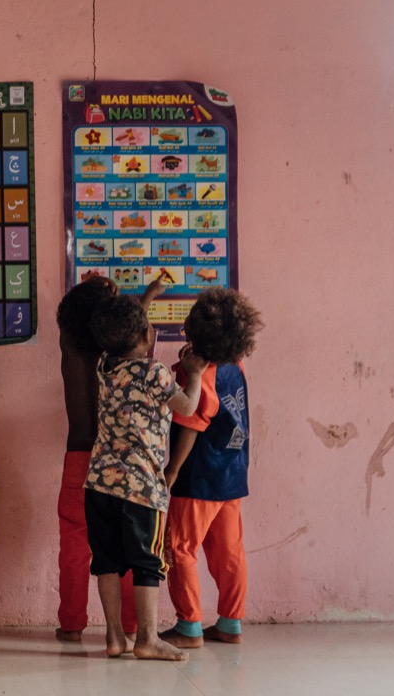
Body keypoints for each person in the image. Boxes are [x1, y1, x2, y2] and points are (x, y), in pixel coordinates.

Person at [85, 291, 206, 661]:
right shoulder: (154, 373)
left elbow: (125, 335)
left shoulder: (104, 366)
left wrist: (144, 302)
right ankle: (147, 639)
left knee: (105, 560)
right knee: (146, 563)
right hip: (141, 489)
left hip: (98, 484)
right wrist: (196, 373)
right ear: (145, 338)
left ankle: (114, 636)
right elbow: (187, 406)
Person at [55, 277, 162, 641]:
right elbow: (130, 332)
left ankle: (71, 623)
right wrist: (144, 297)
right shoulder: (114, 359)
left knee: (72, 547)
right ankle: (130, 624)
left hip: (75, 460)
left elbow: (78, 315)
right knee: (128, 540)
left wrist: (91, 294)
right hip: (114, 464)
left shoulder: (69, 346)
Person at [160, 288, 263, 648]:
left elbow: (190, 423)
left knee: (180, 546)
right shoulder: (236, 365)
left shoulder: (200, 374)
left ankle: (189, 625)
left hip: (198, 477)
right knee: (229, 549)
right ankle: (230, 622)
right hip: (232, 474)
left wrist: (171, 471)